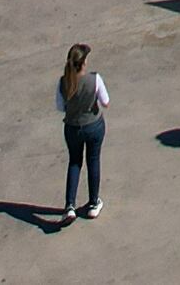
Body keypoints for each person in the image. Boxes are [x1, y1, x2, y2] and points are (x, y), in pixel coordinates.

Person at [57, 42, 109, 223]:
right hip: (94, 126)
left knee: (74, 162)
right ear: (84, 62)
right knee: (93, 161)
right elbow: (106, 101)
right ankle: (94, 203)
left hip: (72, 128)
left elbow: (60, 107)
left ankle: (69, 206)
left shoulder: (64, 82)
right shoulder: (95, 79)